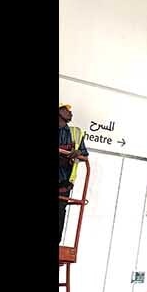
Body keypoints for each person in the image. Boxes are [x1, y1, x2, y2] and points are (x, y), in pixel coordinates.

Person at [58, 103, 89, 244]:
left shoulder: (75, 132)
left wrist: (78, 153)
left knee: (59, 215)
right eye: (66, 109)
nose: (71, 112)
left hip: (63, 184)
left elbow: (84, 155)